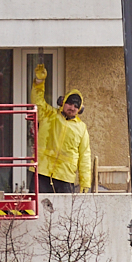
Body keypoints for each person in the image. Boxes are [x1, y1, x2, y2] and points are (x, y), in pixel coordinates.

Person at [30, 64, 91, 193]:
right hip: (42, 172)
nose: (72, 107)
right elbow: (38, 100)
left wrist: (85, 183)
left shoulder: (81, 128)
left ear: (80, 109)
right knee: (38, 211)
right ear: (62, 103)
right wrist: (39, 82)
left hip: (65, 177)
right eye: (69, 103)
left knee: (65, 212)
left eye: (76, 105)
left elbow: (84, 156)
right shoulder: (48, 115)